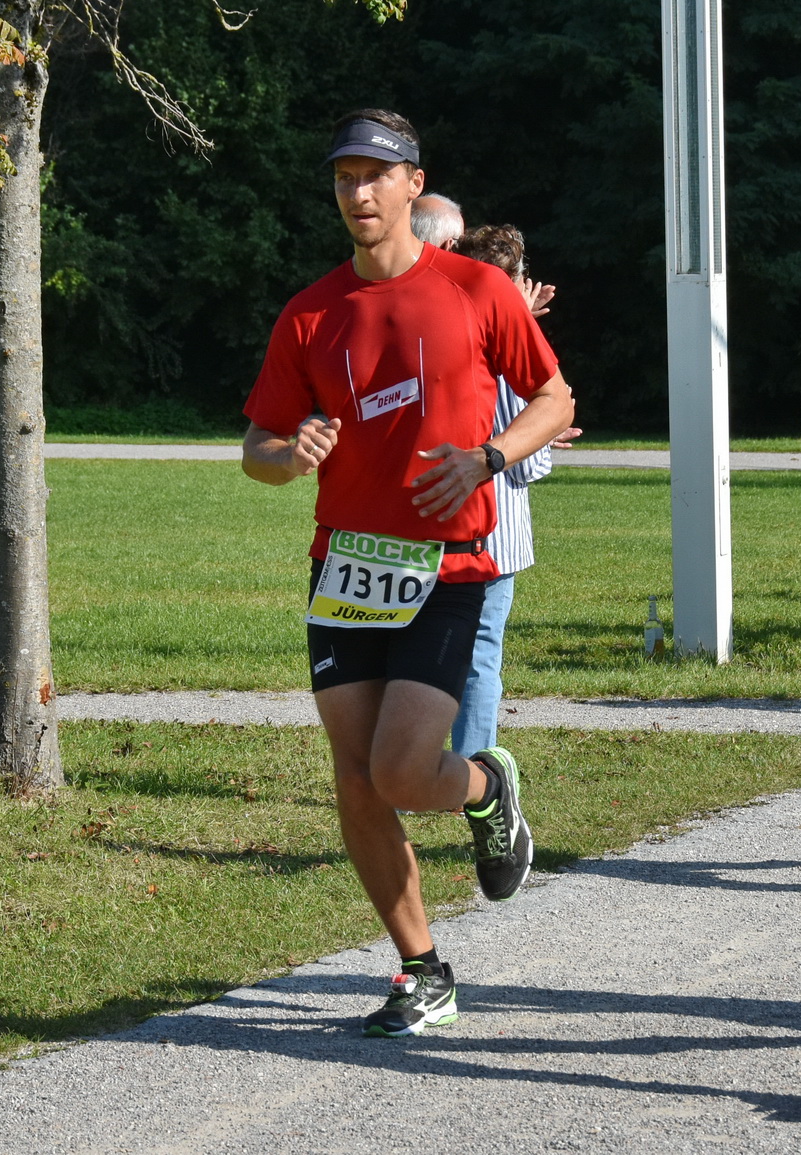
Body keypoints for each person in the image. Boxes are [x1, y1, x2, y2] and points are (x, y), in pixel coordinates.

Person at [241, 109, 575, 1038]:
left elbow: (554, 398)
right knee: (356, 780)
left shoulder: (476, 289)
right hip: (347, 568)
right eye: (345, 177)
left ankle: (486, 787)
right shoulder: (311, 312)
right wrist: (289, 453)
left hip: (448, 565)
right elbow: (257, 447)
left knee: (398, 769)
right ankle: (423, 969)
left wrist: (489, 458)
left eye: (376, 175)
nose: (358, 192)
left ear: (413, 184)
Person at [408, 201, 564, 755]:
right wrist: (542, 437)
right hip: (493, 536)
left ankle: (413, 767)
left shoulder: (429, 329)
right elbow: (530, 462)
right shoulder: (506, 349)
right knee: (479, 658)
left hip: (426, 524)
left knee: (418, 656)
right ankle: (476, 772)